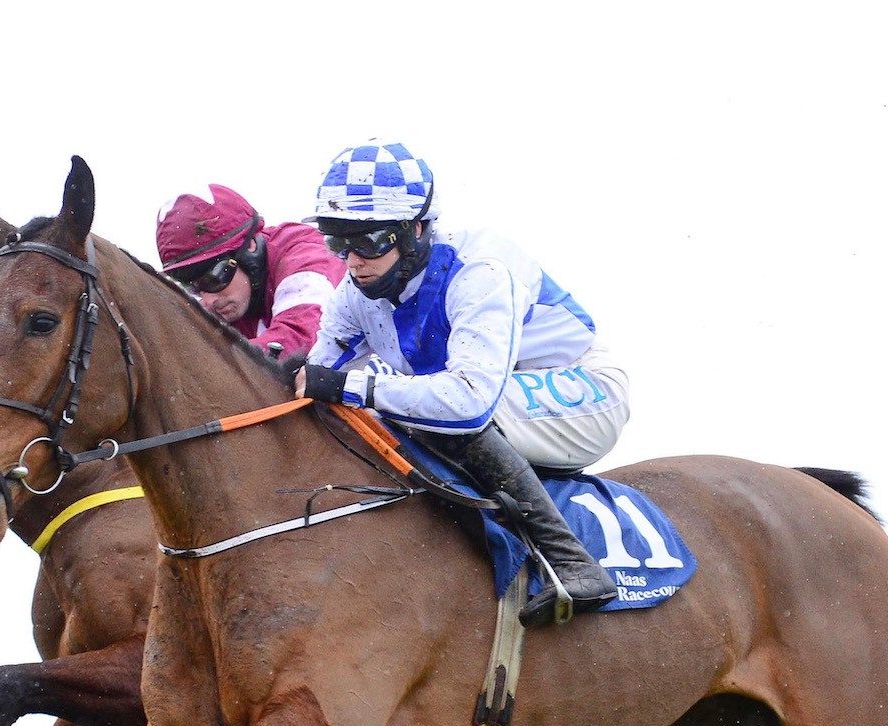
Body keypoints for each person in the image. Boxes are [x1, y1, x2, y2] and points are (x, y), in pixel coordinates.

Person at [293, 140, 621, 626]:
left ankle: (573, 562)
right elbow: (314, 378)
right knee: (377, 409)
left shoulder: (479, 271)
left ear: (415, 229)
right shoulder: (355, 292)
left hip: (583, 390)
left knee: (429, 412)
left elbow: (468, 404)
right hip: (491, 389)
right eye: (338, 243)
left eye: (369, 241)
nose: (353, 260)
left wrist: (351, 388)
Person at [155, 185, 343, 362]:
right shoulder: (227, 298)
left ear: (250, 247)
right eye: (191, 287)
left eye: (214, 278)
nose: (208, 300)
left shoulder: (306, 255)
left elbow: (301, 339)